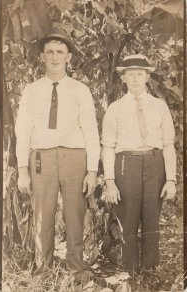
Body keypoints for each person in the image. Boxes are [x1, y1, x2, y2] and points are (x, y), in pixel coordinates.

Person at [15, 28, 100, 279]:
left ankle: (77, 268)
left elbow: (91, 131)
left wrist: (92, 170)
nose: (55, 57)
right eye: (50, 51)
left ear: (69, 57)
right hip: (41, 157)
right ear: (42, 56)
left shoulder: (80, 90)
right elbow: (23, 131)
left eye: (60, 52)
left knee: (75, 213)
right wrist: (22, 171)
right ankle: (43, 270)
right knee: (43, 213)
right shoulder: (31, 90)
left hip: (75, 157)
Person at [102, 54, 176, 273]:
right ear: (123, 78)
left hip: (155, 164)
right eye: (130, 74)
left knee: (152, 218)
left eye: (140, 74)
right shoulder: (115, 109)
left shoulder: (159, 106)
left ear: (147, 77)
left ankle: (151, 271)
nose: (135, 79)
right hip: (126, 164)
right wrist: (109, 181)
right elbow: (108, 146)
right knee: (129, 218)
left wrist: (170, 179)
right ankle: (131, 271)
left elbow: (168, 144)